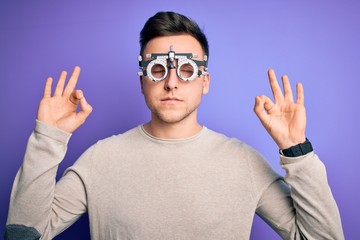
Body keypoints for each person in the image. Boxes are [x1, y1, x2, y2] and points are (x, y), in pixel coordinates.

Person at [5, 11, 344, 240]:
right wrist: (47, 138)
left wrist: (296, 150)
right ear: (142, 82)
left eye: (185, 71)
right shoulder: (100, 160)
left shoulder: (244, 163)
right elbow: (25, 234)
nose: (171, 84)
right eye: (157, 71)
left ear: (205, 81)